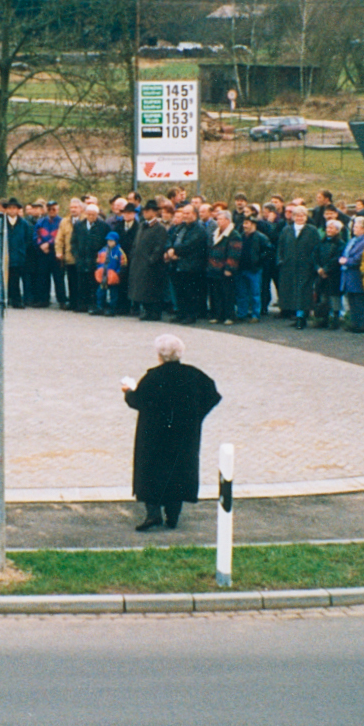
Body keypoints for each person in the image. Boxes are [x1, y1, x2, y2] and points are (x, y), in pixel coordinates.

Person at [123, 334, 221, 532]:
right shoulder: (193, 375)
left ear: (160, 355)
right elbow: (212, 395)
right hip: (184, 434)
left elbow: (137, 401)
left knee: (151, 470)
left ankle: (153, 514)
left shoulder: (153, 377)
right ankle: (173, 515)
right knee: (179, 469)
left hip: (154, 434)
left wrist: (127, 391)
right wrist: (197, 415)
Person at [128, 199, 170, 322]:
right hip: (138, 262)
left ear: (153, 212)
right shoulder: (142, 226)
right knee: (141, 288)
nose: (144, 213)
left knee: (152, 289)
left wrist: (151, 260)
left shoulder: (159, 228)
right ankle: (147, 310)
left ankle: (154, 312)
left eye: (147, 211)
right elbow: (136, 243)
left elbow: (159, 246)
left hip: (152, 265)